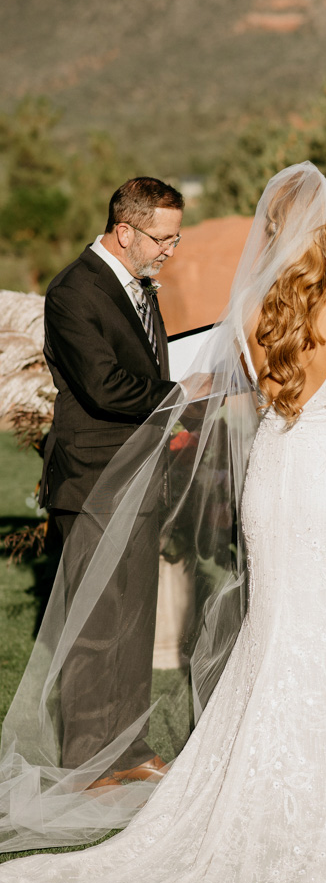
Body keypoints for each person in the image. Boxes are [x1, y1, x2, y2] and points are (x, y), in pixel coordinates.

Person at [0, 163, 326, 883]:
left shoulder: (254, 313)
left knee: (275, 629)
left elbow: (244, 392)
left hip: (273, 483)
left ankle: (230, 773)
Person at [37, 177, 183, 784]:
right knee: (95, 629)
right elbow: (102, 385)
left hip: (139, 476)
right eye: (162, 238)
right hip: (94, 479)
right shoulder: (74, 290)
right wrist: (182, 394)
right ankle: (87, 764)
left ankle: (127, 748)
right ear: (125, 230)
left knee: (133, 623)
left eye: (176, 239)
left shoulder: (139, 285)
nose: (170, 251)